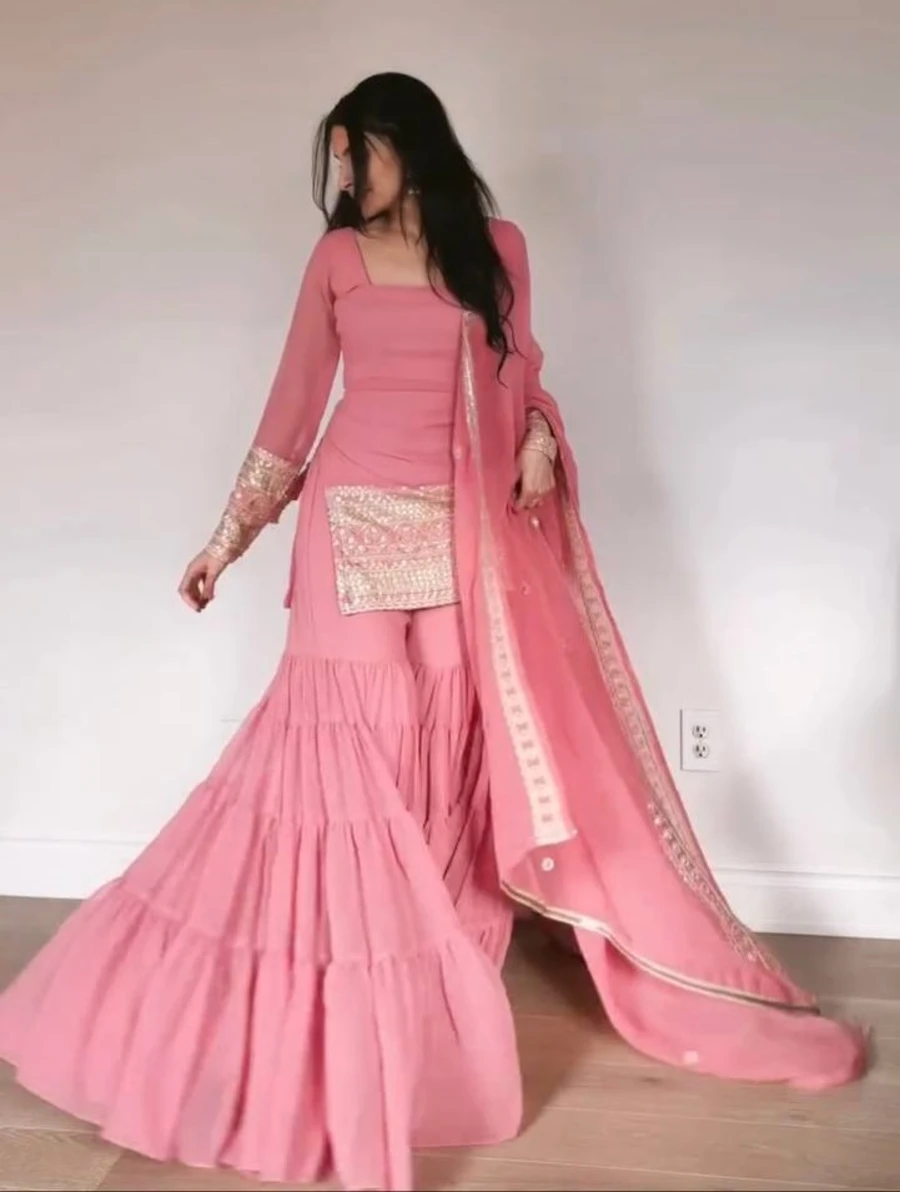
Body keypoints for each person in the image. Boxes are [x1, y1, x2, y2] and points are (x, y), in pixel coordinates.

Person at [0, 72, 867, 1192]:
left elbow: (523, 374)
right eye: (339, 157)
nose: (344, 174)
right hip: (349, 527)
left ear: (405, 144)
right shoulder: (337, 259)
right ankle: (335, 975)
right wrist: (227, 541)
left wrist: (541, 437)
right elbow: (291, 410)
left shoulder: (496, 250)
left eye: (355, 151)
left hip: (461, 532)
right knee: (345, 757)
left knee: (449, 744)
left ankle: (424, 965)